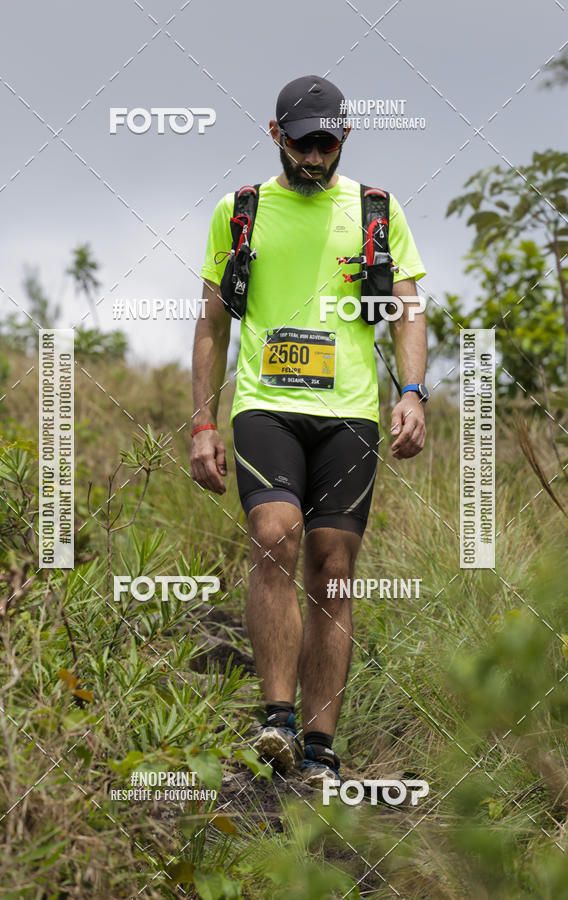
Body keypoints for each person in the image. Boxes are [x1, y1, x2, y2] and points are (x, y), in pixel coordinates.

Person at [190, 75, 427, 786]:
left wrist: (412, 392)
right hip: (264, 404)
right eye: (303, 144)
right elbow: (210, 323)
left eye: (327, 144)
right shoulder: (240, 212)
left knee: (333, 567)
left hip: (350, 413)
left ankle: (321, 746)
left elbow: (409, 311)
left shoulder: (379, 212)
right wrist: (202, 420)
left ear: (344, 138)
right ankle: (277, 720)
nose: (315, 158)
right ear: (276, 136)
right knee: (273, 537)